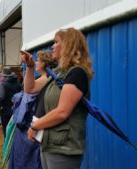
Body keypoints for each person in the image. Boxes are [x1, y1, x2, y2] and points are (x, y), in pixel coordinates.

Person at [21, 28, 93, 169]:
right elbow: (30, 88)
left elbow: (62, 112)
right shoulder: (58, 74)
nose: (52, 46)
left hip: (64, 148)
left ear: (69, 45)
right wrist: (29, 67)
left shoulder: (77, 73)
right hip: (50, 144)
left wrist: (35, 125)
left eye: (56, 42)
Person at [8, 50, 57, 169]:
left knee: (28, 161)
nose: (36, 62)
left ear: (45, 63)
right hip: (29, 126)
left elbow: (28, 89)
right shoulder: (42, 78)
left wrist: (29, 66)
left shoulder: (46, 78)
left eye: (38, 60)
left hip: (32, 126)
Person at [0, 66, 22, 137]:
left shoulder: (3, 85)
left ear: (5, 76)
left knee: (6, 129)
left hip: (6, 111)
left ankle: (7, 144)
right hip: (17, 110)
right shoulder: (18, 84)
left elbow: (0, 97)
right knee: (15, 129)